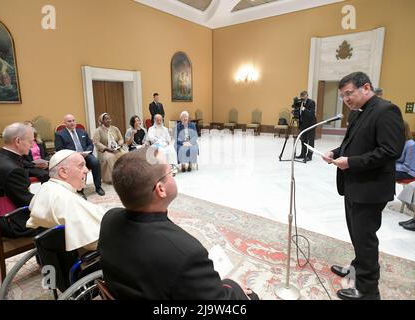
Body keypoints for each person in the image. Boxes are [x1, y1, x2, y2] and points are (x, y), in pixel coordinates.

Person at [98, 147, 258, 300]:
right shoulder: (186, 253)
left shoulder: (109, 219)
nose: (174, 174)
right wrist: (233, 288)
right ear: (161, 189)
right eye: (171, 172)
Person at [321, 72, 404, 300]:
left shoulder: (386, 110)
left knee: (365, 239)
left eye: (349, 93)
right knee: (356, 235)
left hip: (371, 188)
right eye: (342, 96)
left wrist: (351, 162)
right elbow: (352, 144)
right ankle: (357, 270)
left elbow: (390, 151)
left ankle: (367, 291)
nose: (346, 99)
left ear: (366, 87)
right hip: (354, 185)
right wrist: (336, 153)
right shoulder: (358, 114)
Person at [26, 150, 106, 251]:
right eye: (81, 166)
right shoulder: (67, 201)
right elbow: (93, 243)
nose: (86, 170)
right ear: (63, 172)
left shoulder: (46, 187)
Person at [0, 122, 43, 238]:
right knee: (60, 223)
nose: (32, 146)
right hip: (12, 223)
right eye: (31, 141)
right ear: (18, 141)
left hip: (2, 219)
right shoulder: (12, 169)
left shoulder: (1, 158)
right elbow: (27, 202)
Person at [54, 114, 105, 196]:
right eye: (69, 121)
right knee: (77, 168)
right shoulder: (59, 134)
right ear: (64, 123)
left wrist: (87, 152)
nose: (72, 123)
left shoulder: (82, 131)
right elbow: (59, 149)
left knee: (95, 162)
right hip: (71, 157)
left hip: (85, 155)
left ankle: (98, 187)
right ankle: (80, 190)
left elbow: (90, 144)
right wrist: (75, 154)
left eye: (73, 120)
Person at [93, 113, 126, 184]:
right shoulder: (98, 130)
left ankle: (123, 175)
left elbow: (121, 139)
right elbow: (96, 142)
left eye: (109, 119)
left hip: (116, 148)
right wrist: (107, 149)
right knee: (110, 157)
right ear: (102, 121)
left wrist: (119, 144)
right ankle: (112, 178)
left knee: (125, 155)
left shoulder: (115, 129)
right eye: (106, 119)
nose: (108, 120)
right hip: (104, 150)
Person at [296, 91, 317, 161]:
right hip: (303, 124)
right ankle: (303, 154)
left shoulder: (311, 102)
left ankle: (309, 156)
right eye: (301, 96)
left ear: (307, 96)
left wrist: (304, 109)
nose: (302, 97)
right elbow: (300, 113)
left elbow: (311, 113)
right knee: (303, 140)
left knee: (310, 141)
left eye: (304, 96)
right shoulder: (300, 103)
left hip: (311, 124)